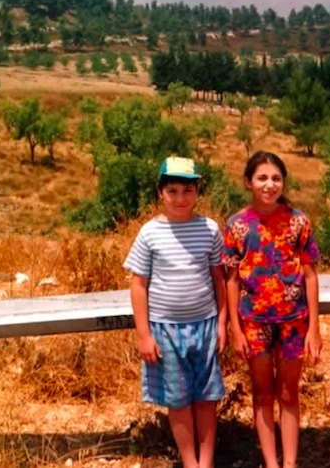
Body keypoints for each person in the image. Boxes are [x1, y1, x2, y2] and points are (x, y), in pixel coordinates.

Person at [124, 156, 227, 468]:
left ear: (197, 192)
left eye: (187, 190)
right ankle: (190, 461)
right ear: (161, 193)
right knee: (178, 400)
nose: (180, 198)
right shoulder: (149, 233)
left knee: (207, 398)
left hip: (205, 325)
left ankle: (206, 462)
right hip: (165, 330)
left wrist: (222, 323)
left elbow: (218, 279)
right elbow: (138, 285)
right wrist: (144, 335)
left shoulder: (209, 229)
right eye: (173, 191)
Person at [223, 151, 321, 468]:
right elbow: (232, 278)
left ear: (283, 182)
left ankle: (290, 463)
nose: (269, 184)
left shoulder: (298, 222)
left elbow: (309, 275)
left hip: (294, 322)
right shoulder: (236, 226)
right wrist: (235, 329)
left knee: (289, 393)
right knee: (263, 393)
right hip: (254, 324)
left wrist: (315, 329)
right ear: (248, 182)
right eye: (262, 178)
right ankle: (271, 462)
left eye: (276, 178)